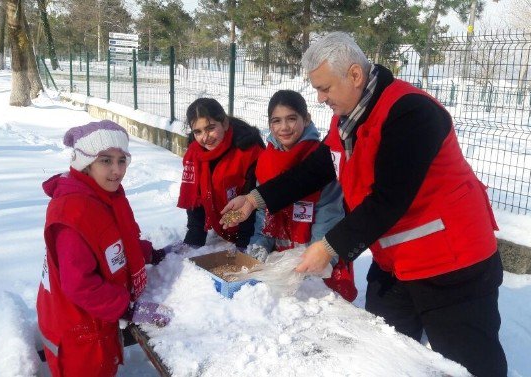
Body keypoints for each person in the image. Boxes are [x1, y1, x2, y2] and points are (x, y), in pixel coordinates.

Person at [221, 32, 507, 376]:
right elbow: (318, 168)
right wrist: (255, 199)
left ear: (355, 75)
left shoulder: (411, 113)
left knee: (468, 362)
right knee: (384, 350)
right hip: (395, 262)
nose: (320, 97)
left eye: (325, 88)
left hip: (451, 263)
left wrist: (327, 247)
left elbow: (389, 200)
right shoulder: (347, 117)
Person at [37, 120, 171, 377]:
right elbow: (79, 285)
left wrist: (151, 254)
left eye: (122, 160)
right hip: (77, 332)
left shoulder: (105, 195)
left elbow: (118, 241)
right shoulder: (73, 213)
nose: (116, 170)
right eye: (105, 160)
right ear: (85, 163)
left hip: (97, 319)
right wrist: (128, 309)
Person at [247, 90, 357, 302]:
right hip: (283, 256)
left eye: (291, 119)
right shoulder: (266, 161)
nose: (284, 127)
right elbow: (264, 213)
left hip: (319, 256)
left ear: (306, 119)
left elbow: (329, 217)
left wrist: (314, 262)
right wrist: (260, 243)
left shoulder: (321, 158)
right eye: (276, 121)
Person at [176, 98, 264, 251]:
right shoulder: (194, 155)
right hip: (222, 227)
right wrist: (195, 238)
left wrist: (243, 244)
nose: (205, 137)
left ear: (224, 123)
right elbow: (196, 200)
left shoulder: (248, 151)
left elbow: (253, 202)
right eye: (197, 131)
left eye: (210, 128)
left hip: (251, 232)